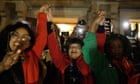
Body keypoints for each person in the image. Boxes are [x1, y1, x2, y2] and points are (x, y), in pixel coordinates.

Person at [0, 4, 50, 84]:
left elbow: (41, 37)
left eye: (25, 37)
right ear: (9, 36)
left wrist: (42, 15)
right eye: (15, 35)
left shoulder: (31, 55)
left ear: (29, 43)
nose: (19, 40)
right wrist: (2, 66)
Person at [47, 15, 96, 84]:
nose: (73, 49)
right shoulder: (62, 62)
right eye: (71, 47)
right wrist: (49, 24)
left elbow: (91, 45)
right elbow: (54, 48)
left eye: (77, 47)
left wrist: (95, 24)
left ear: (82, 50)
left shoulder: (87, 62)